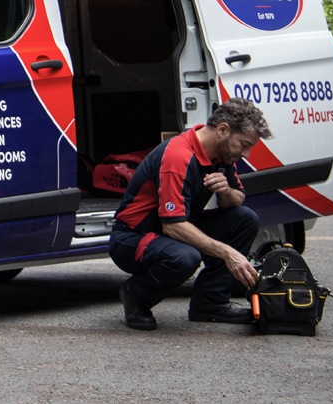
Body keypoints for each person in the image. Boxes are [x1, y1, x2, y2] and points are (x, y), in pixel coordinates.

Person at [108, 97, 272, 330]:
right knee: (184, 257)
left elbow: (238, 198)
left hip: (173, 228)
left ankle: (210, 304)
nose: (245, 154)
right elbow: (172, 226)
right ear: (223, 130)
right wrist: (227, 253)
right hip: (132, 237)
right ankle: (136, 295)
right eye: (244, 144)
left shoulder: (222, 154)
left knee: (245, 219)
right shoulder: (179, 156)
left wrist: (225, 191)